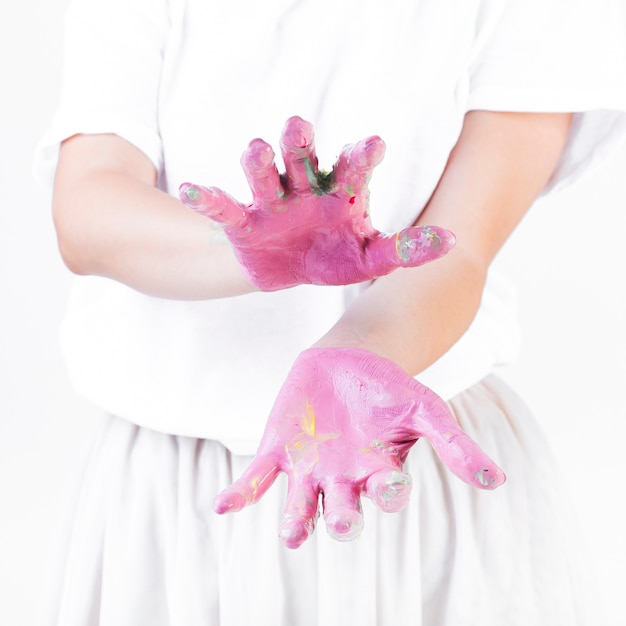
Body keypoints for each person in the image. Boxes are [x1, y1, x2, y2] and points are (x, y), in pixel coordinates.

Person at [35, 0, 626, 624]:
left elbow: (459, 248)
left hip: (403, 459)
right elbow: (87, 211)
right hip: (175, 495)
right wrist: (253, 251)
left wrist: (355, 354)